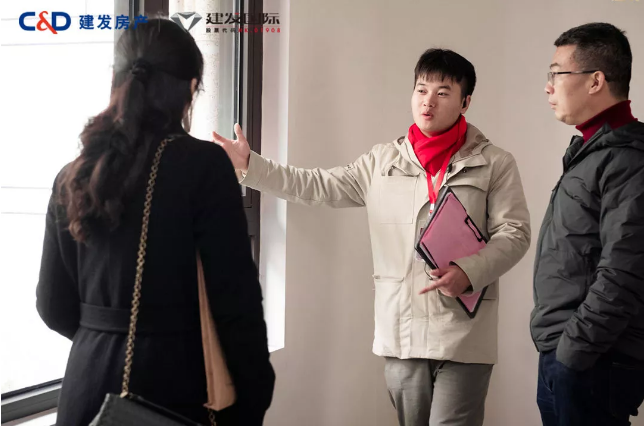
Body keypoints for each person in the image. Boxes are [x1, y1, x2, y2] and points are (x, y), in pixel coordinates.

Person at [214, 48, 530, 426]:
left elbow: (515, 233)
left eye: (443, 92)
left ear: (465, 102)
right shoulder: (382, 162)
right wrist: (251, 166)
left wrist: (469, 271)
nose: (428, 101)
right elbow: (317, 185)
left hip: (464, 331)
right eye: (421, 90)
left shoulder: (494, 163)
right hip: (402, 331)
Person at [36, 18, 274, 426]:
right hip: (172, 391)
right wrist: (253, 398)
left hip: (84, 389)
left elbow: (52, 305)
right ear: (190, 88)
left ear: (117, 79)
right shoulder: (203, 166)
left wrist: (103, 336)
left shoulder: (73, 174)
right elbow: (237, 305)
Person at [532, 22, 644, 426]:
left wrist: (572, 354)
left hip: (592, 361)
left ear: (596, 81)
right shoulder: (592, 151)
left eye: (557, 73)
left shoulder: (628, 159)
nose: (548, 87)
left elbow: (624, 271)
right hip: (570, 356)